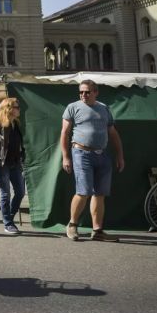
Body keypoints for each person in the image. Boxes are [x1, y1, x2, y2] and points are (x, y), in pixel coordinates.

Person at [61, 79, 125, 242]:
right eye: (81, 92)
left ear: (96, 92)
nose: (83, 95)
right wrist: (66, 156)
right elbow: (65, 133)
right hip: (81, 153)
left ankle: (97, 231)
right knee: (83, 191)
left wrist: (120, 156)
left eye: (87, 92)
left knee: (100, 194)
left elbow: (113, 133)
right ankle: (72, 225)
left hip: (102, 155)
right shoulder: (73, 107)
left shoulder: (103, 108)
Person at [0, 98, 25, 234]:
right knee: (6, 193)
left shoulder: (16, 123)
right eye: (16, 107)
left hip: (15, 162)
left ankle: (10, 218)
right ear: (8, 108)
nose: (19, 109)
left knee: (20, 192)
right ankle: (8, 223)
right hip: (2, 163)